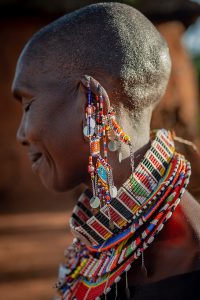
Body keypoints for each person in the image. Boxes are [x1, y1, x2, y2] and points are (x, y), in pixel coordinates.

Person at [12, 2, 200, 300]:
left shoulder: (186, 268)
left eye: (28, 104)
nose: (22, 133)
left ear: (92, 98)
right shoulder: (98, 241)